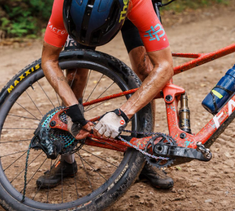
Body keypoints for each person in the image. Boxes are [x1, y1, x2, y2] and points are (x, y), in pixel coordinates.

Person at [37, 0, 174, 190]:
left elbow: (165, 66)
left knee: (145, 70)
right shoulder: (62, 3)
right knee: (74, 74)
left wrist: (123, 114)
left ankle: (142, 156)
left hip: (128, 9)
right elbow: (49, 59)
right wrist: (73, 110)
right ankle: (67, 159)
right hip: (81, 17)